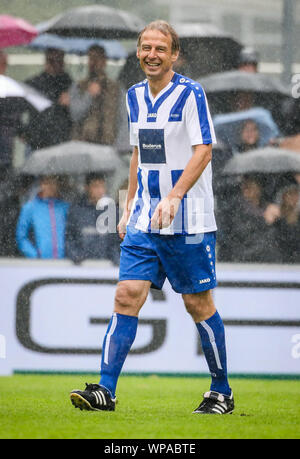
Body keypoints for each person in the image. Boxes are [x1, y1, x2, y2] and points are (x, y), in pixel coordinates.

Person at [70, 20, 234, 415]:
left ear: (174, 54)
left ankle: (221, 392)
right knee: (127, 295)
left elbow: (204, 151)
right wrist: (128, 208)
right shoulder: (133, 96)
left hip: (188, 217)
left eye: (160, 48)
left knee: (198, 303)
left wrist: (176, 196)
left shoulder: (191, 93)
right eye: (146, 47)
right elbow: (140, 154)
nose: (152, 54)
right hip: (145, 214)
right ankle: (104, 391)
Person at [22, 48, 73, 151]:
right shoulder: (33, 84)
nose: (55, 65)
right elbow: (16, 108)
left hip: (61, 141)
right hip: (36, 141)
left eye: (59, 61)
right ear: (46, 61)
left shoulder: (70, 85)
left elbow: (76, 114)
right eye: (52, 61)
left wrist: (70, 104)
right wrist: (23, 132)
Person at [65, 172, 120, 265]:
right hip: (81, 268)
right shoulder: (76, 210)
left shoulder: (112, 210)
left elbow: (116, 240)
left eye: (102, 186)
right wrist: (76, 256)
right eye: (96, 186)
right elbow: (69, 238)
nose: (100, 191)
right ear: (87, 187)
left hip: (106, 267)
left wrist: (115, 258)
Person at [69, 45, 119, 145]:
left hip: (108, 145)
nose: (94, 62)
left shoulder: (115, 88)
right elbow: (74, 114)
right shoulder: (79, 86)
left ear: (104, 61)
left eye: (98, 59)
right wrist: (88, 95)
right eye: (91, 58)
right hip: (82, 143)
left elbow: (122, 118)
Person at [16, 175, 69, 259]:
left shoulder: (65, 207)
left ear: (58, 184)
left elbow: (73, 234)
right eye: (47, 182)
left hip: (64, 263)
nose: (50, 186)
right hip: (40, 265)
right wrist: (35, 255)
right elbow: (21, 237)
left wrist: (70, 253)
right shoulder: (30, 208)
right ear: (41, 184)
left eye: (53, 183)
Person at [272, 184, 300, 263]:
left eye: (296, 194)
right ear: (283, 197)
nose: (294, 198)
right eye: (290, 194)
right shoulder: (275, 223)